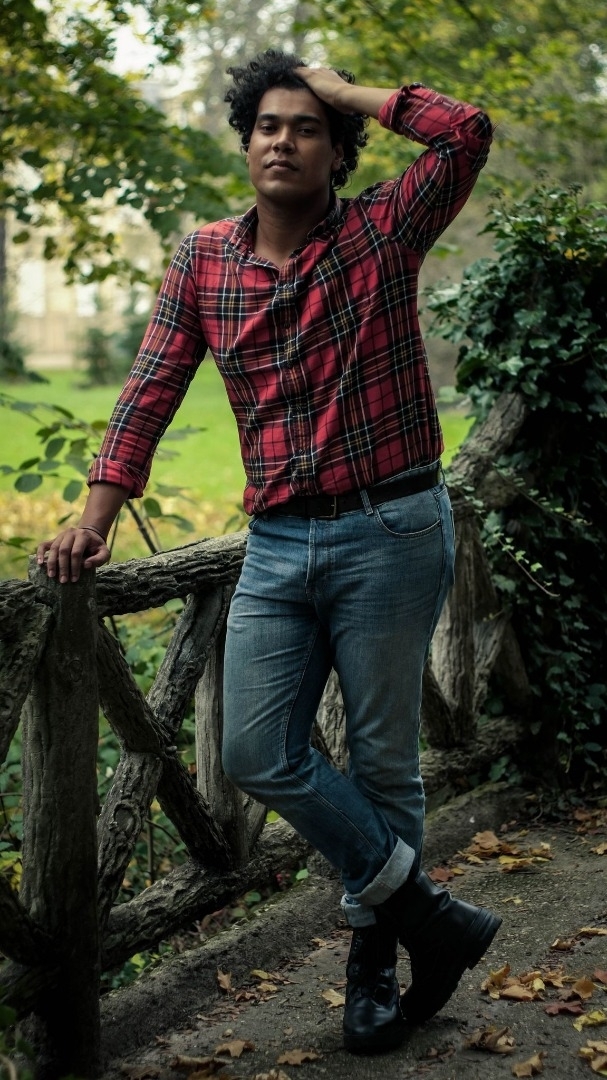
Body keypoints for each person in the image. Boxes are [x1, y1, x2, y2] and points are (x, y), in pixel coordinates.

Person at [38, 49, 500, 1054]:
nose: (282, 140)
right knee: (255, 751)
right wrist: (94, 519)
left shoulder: (382, 230)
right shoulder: (203, 259)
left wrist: (340, 88)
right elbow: (148, 391)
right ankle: (430, 915)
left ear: (336, 150)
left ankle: (374, 967)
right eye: (267, 126)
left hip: (391, 528)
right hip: (279, 545)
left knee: (383, 763)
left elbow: (464, 132)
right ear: (245, 145)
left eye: (306, 126)